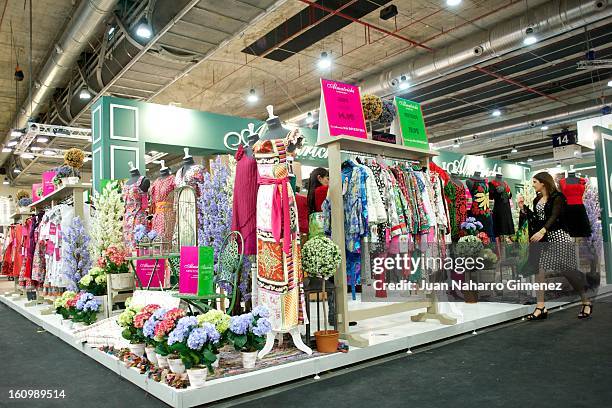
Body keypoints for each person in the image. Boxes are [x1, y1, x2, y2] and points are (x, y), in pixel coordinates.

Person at [518, 172, 593, 320]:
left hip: (559, 237)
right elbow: (537, 218)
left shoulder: (558, 198)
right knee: (539, 270)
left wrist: (543, 230)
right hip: (544, 238)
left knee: (568, 271)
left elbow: (555, 216)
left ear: (543, 183)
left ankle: (586, 301)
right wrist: (523, 209)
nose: (533, 185)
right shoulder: (537, 199)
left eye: (534, 182)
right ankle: (541, 307)